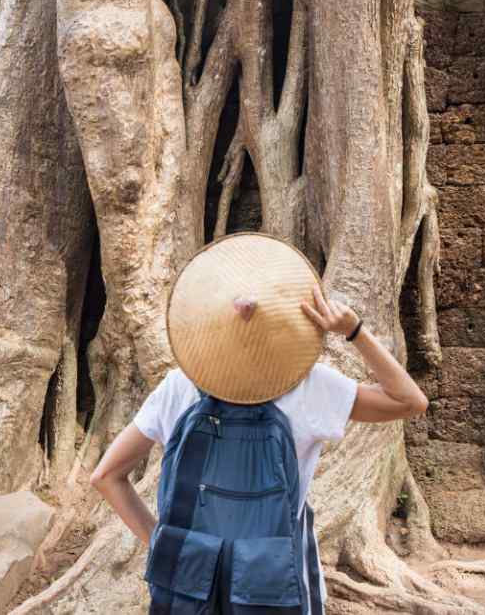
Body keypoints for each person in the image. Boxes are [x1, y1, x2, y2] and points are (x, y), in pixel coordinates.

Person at [90, 235, 429, 614]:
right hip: (275, 586)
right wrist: (354, 331)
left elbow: (105, 476)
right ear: (289, 324)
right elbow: (410, 401)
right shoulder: (311, 388)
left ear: (204, 324)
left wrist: (160, 541)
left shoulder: (178, 386)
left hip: (187, 582)